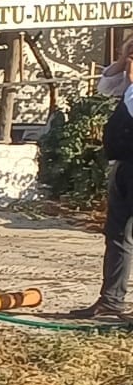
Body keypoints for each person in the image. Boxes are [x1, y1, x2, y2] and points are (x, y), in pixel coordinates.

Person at [73, 37, 133, 322]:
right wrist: (123, 62)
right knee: (119, 234)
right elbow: (105, 88)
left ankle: (112, 301)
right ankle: (111, 301)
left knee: (122, 234)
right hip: (126, 166)